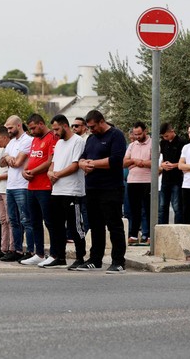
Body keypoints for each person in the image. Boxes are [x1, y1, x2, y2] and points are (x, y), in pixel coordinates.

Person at [78, 110, 127, 274]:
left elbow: (115, 160)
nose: (91, 130)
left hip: (110, 188)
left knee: (114, 225)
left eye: (93, 127)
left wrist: (92, 164)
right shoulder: (91, 138)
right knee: (95, 225)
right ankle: (95, 259)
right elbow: (83, 158)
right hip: (92, 188)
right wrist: (82, 164)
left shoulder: (116, 135)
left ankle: (118, 261)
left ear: (101, 122)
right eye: (89, 127)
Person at [46, 114, 86, 269]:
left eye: (56, 129)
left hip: (72, 190)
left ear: (64, 126)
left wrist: (57, 174)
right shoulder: (59, 143)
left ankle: (80, 257)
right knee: (56, 226)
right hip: (57, 190)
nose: (55, 133)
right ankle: (59, 256)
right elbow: (53, 163)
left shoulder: (77, 141)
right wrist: (51, 173)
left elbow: (75, 165)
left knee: (75, 226)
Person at [20, 113, 58, 266]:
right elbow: (31, 158)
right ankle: (39, 253)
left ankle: (55, 253)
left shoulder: (51, 137)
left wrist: (33, 172)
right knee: (34, 221)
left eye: (34, 128)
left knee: (49, 221)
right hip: (32, 186)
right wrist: (25, 170)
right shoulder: (35, 139)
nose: (32, 131)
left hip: (45, 186)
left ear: (41, 124)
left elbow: (50, 160)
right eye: (30, 129)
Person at [0, 115, 33, 261]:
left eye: (10, 128)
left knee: (26, 219)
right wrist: (7, 158)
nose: (8, 131)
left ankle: (31, 251)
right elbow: (2, 163)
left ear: (19, 125)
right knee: (13, 220)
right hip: (11, 185)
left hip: (22, 185)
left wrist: (8, 158)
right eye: (7, 128)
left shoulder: (28, 140)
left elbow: (17, 163)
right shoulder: (11, 142)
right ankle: (17, 250)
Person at [123, 121, 152, 245]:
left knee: (148, 209)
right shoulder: (132, 145)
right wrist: (135, 160)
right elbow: (124, 162)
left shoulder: (153, 144)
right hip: (133, 180)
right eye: (135, 134)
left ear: (145, 131)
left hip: (147, 180)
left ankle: (150, 235)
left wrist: (138, 163)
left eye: (139, 134)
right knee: (134, 209)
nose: (137, 137)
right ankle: (134, 235)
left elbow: (154, 162)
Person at [159, 122, 187, 224]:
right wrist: (163, 165)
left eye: (166, 135)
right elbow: (162, 158)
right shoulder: (163, 143)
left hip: (177, 178)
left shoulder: (182, 142)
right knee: (162, 206)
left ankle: (178, 227)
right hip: (165, 178)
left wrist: (174, 165)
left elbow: (185, 161)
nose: (165, 138)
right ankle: (162, 228)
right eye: (163, 136)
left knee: (177, 206)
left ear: (172, 131)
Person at [0, 126, 13, 260]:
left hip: (7, 188)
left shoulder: (11, 149)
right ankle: (3, 247)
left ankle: (12, 248)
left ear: (5, 137)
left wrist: (0, 177)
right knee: (2, 220)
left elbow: (15, 170)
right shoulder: (0, 150)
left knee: (10, 220)